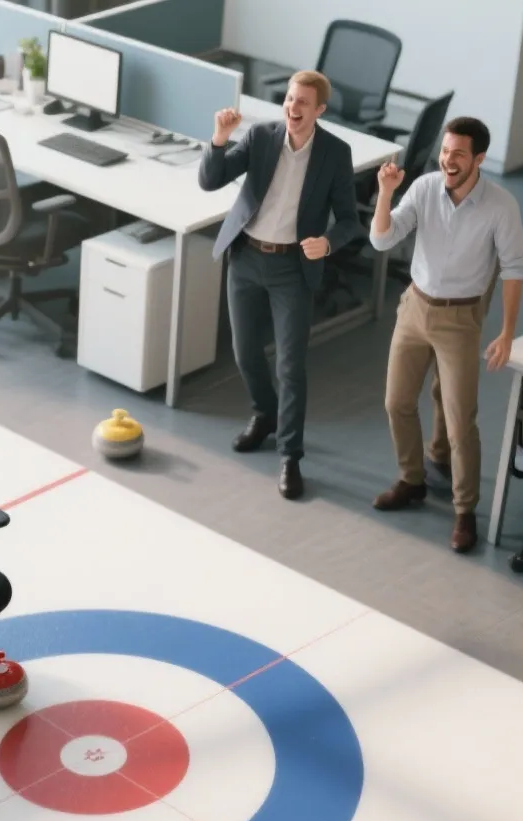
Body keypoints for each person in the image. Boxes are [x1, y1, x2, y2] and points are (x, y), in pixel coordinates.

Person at [200, 69, 365, 500]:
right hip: (247, 257)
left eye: (303, 103)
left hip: (292, 268)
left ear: (319, 110)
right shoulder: (261, 137)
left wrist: (327, 242)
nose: (293, 108)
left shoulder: (334, 153)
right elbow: (210, 180)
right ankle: (264, 414)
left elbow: (351, 219)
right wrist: (219, 138)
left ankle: (290, 455)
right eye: (290, 100)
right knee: (244, 352)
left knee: (290, 366)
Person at [367, 116, 523, 553]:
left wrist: (508, 332)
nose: (448, 159)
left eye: (459, 153)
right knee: (397, 402)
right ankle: (411, 479)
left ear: (478, 158)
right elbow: (383, 240)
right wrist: (385, 192)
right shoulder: (423, 188)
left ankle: (464, 511)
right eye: (445, 150)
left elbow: (514, 269)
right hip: (415, 308)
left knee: (460, 422)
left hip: (460, 320)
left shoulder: (501, 205)